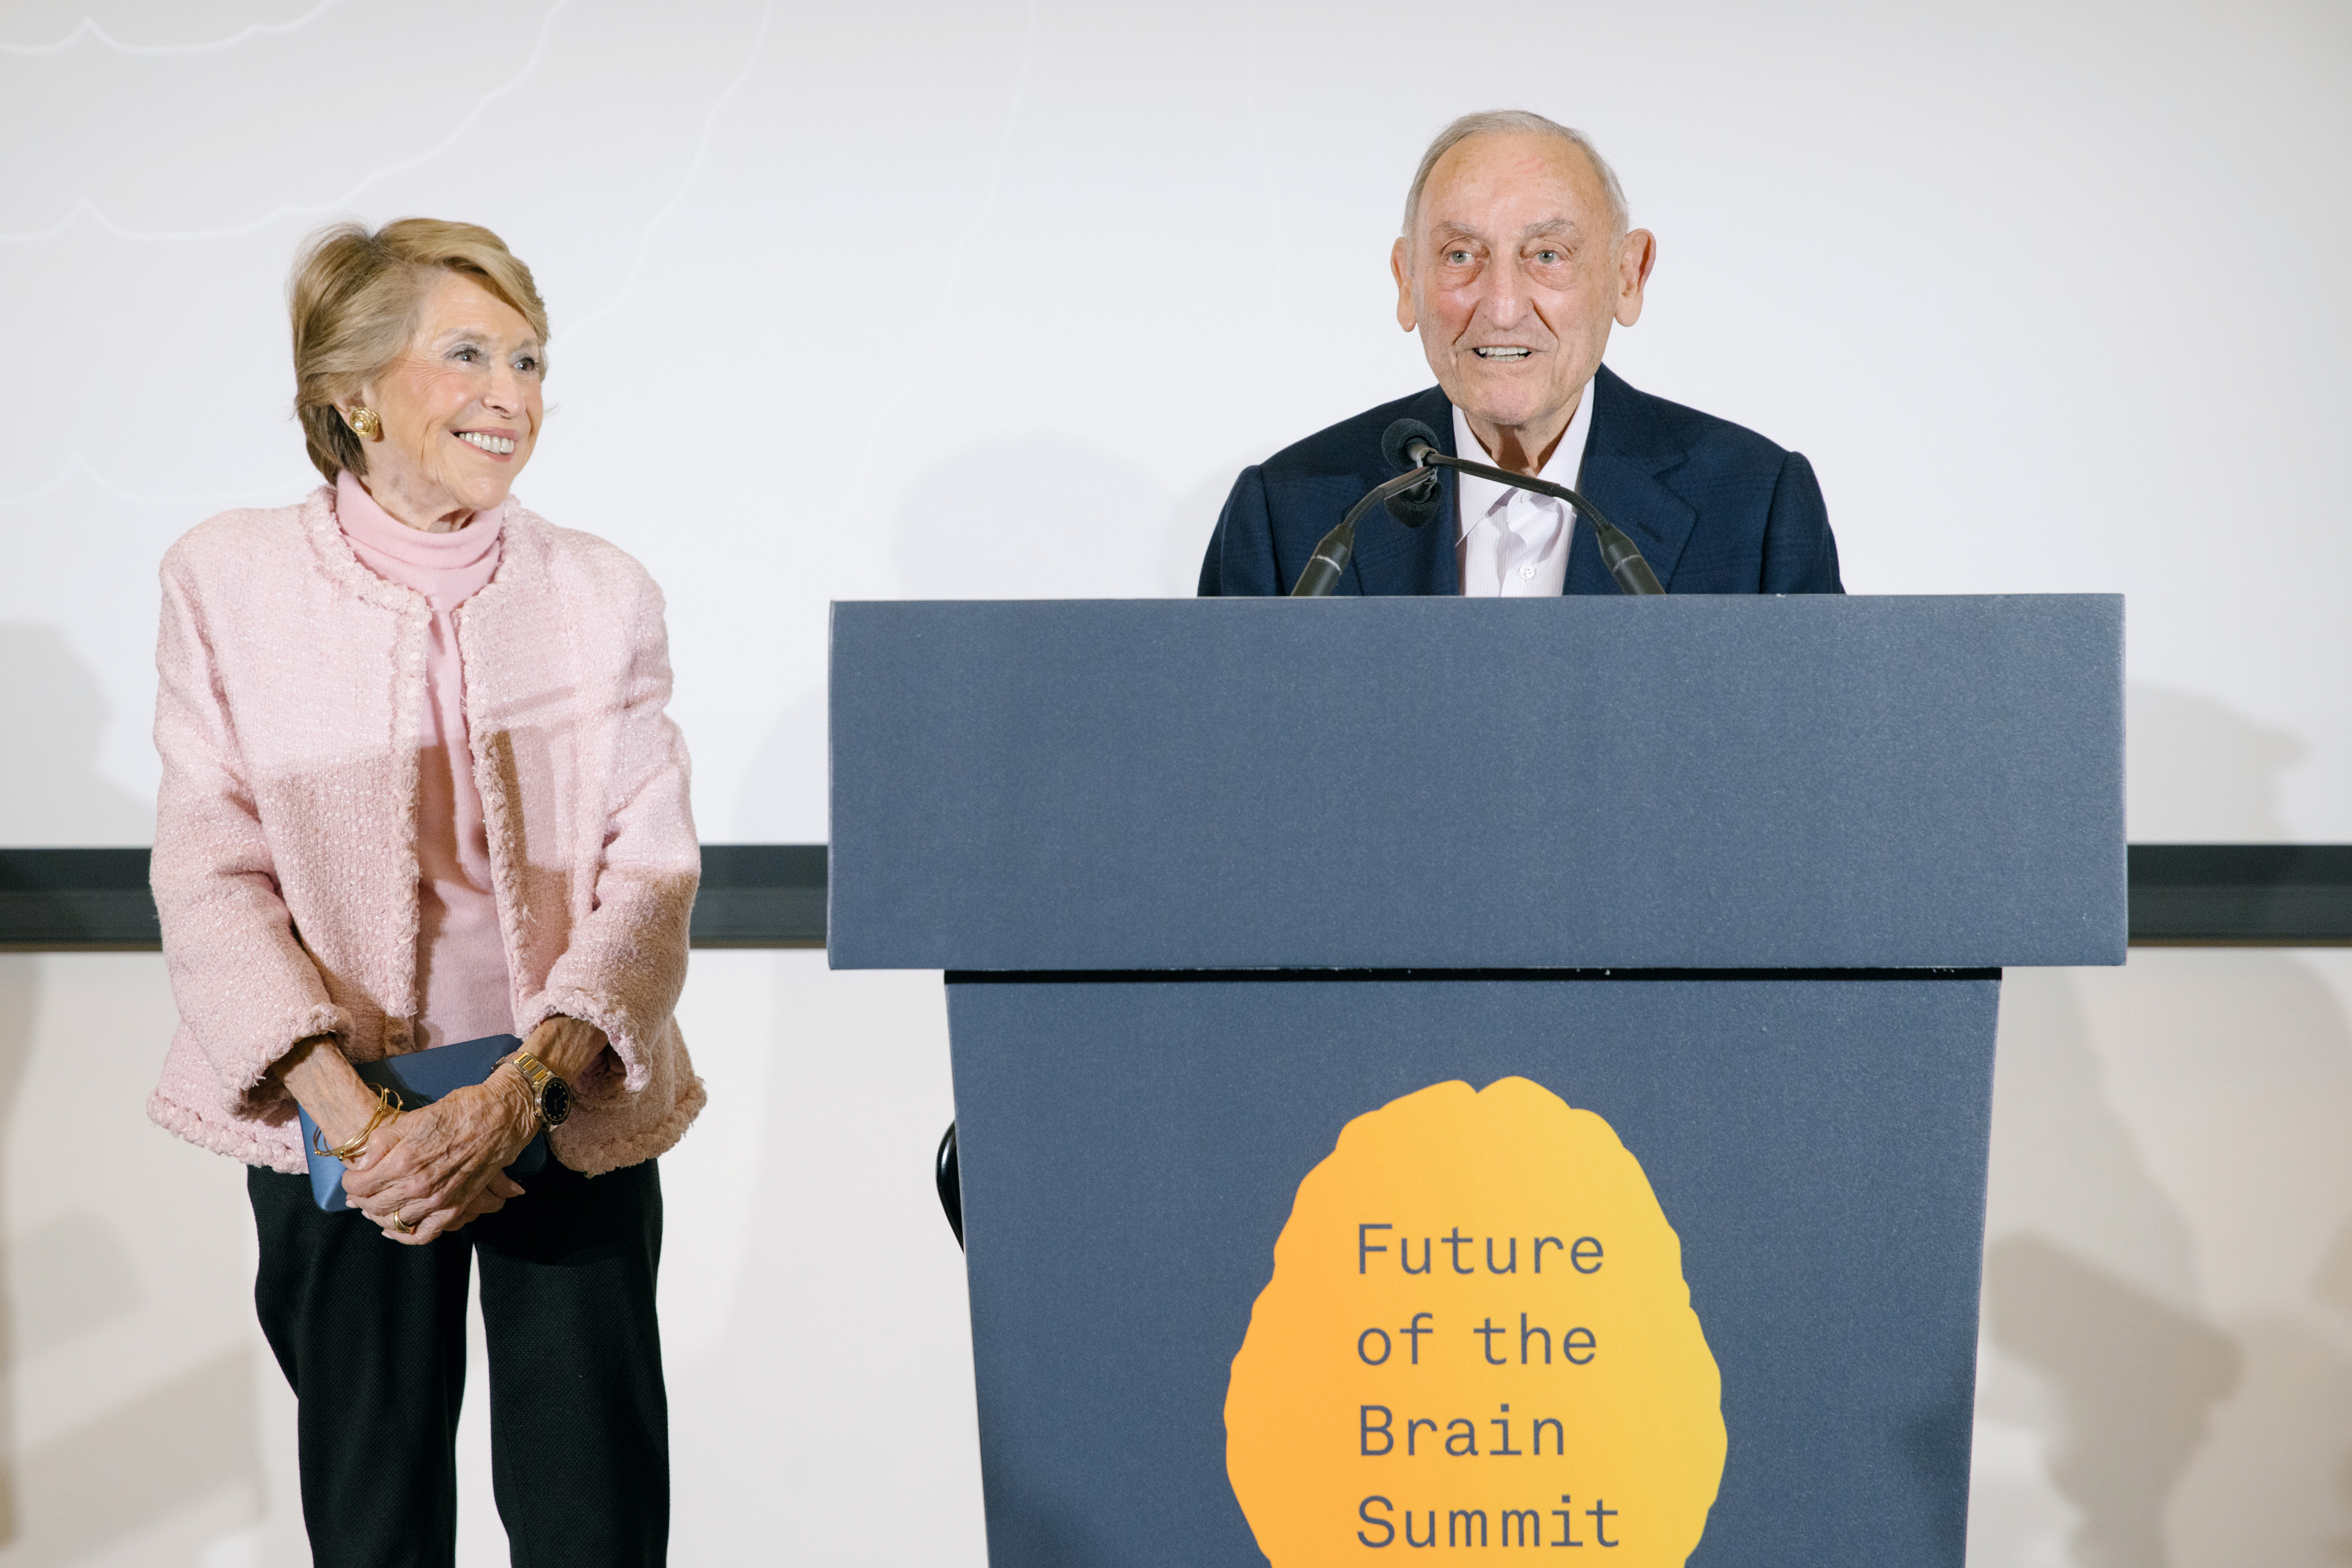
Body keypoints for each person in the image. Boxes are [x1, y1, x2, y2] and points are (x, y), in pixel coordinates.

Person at [146, 218, 702, 1566]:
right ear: (353, 391)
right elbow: (209, 871)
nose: (510, 393)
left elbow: (650, 870)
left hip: (562, 1109)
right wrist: (362, 1126)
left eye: (528, 359)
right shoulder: (225, 576)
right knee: (374, 1525)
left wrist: (518, 1093)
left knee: (594, 1523)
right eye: (468, 355)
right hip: (341, 1130)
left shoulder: (604, 591)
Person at [1198, 110, 1843, 597]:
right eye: (1460, 255)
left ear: (1628, 277)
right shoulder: (1285, 516)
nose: (1503, 306)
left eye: (1547, 255)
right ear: (1407, 281)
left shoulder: (1758, 508)